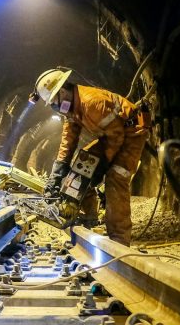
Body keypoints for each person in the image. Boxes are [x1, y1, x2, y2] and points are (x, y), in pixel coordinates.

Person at [35, 67, 150, 246]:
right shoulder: (71, 106)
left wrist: (102, 166)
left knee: (116, 177)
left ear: (63, 91)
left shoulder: (92, 103)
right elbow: (69, 139)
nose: (54, 107)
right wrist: (59, 169)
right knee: (81, 167)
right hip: (111, 136)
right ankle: (89, 219)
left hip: (132, 132)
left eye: (53, 102)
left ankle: (119, 241)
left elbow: (117, 136)